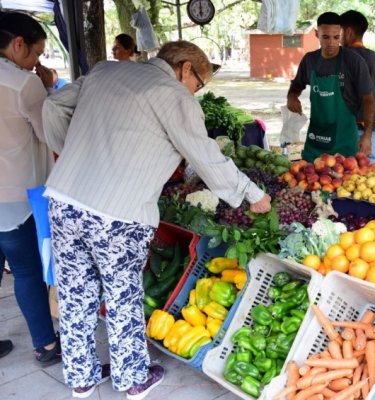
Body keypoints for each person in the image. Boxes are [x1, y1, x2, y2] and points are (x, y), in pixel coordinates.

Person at [42, 40, 271, 399]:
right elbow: (204, 154)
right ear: (184, 69)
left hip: (64, 198)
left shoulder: (105, 70)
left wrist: (73, 150)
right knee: (122, 295)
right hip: (117, 213)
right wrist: (252, 194)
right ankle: (132, 378)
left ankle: (82, 376)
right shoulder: (174, 95)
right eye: (199, 84)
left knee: (75, 293)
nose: (197, 91)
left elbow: (53, 105)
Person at [0, 12, 61, 366]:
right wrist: (49, 88)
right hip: (17, 196)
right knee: (26, 271)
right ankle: (46, 345)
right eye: (36, 53)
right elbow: (49, 133)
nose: (37, 62)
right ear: (18, 44)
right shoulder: (23, 83)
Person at [287, 12, 375, 162]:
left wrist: (367, 135)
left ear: (341, 34)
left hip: (344, 143)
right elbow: (297, 84)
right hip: (316, 140)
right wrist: (292, 96)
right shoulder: (310, 60)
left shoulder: (353, 61)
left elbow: (368, 100)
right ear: (317, 34)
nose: (331, 43)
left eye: (336, 37)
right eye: (326, 37)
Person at [340, 10, 375, 165]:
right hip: (370, 136)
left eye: (338, 33)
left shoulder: (340, 58)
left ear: (348, 32)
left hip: (344, 134)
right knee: (370, 185)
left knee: (341, 184)